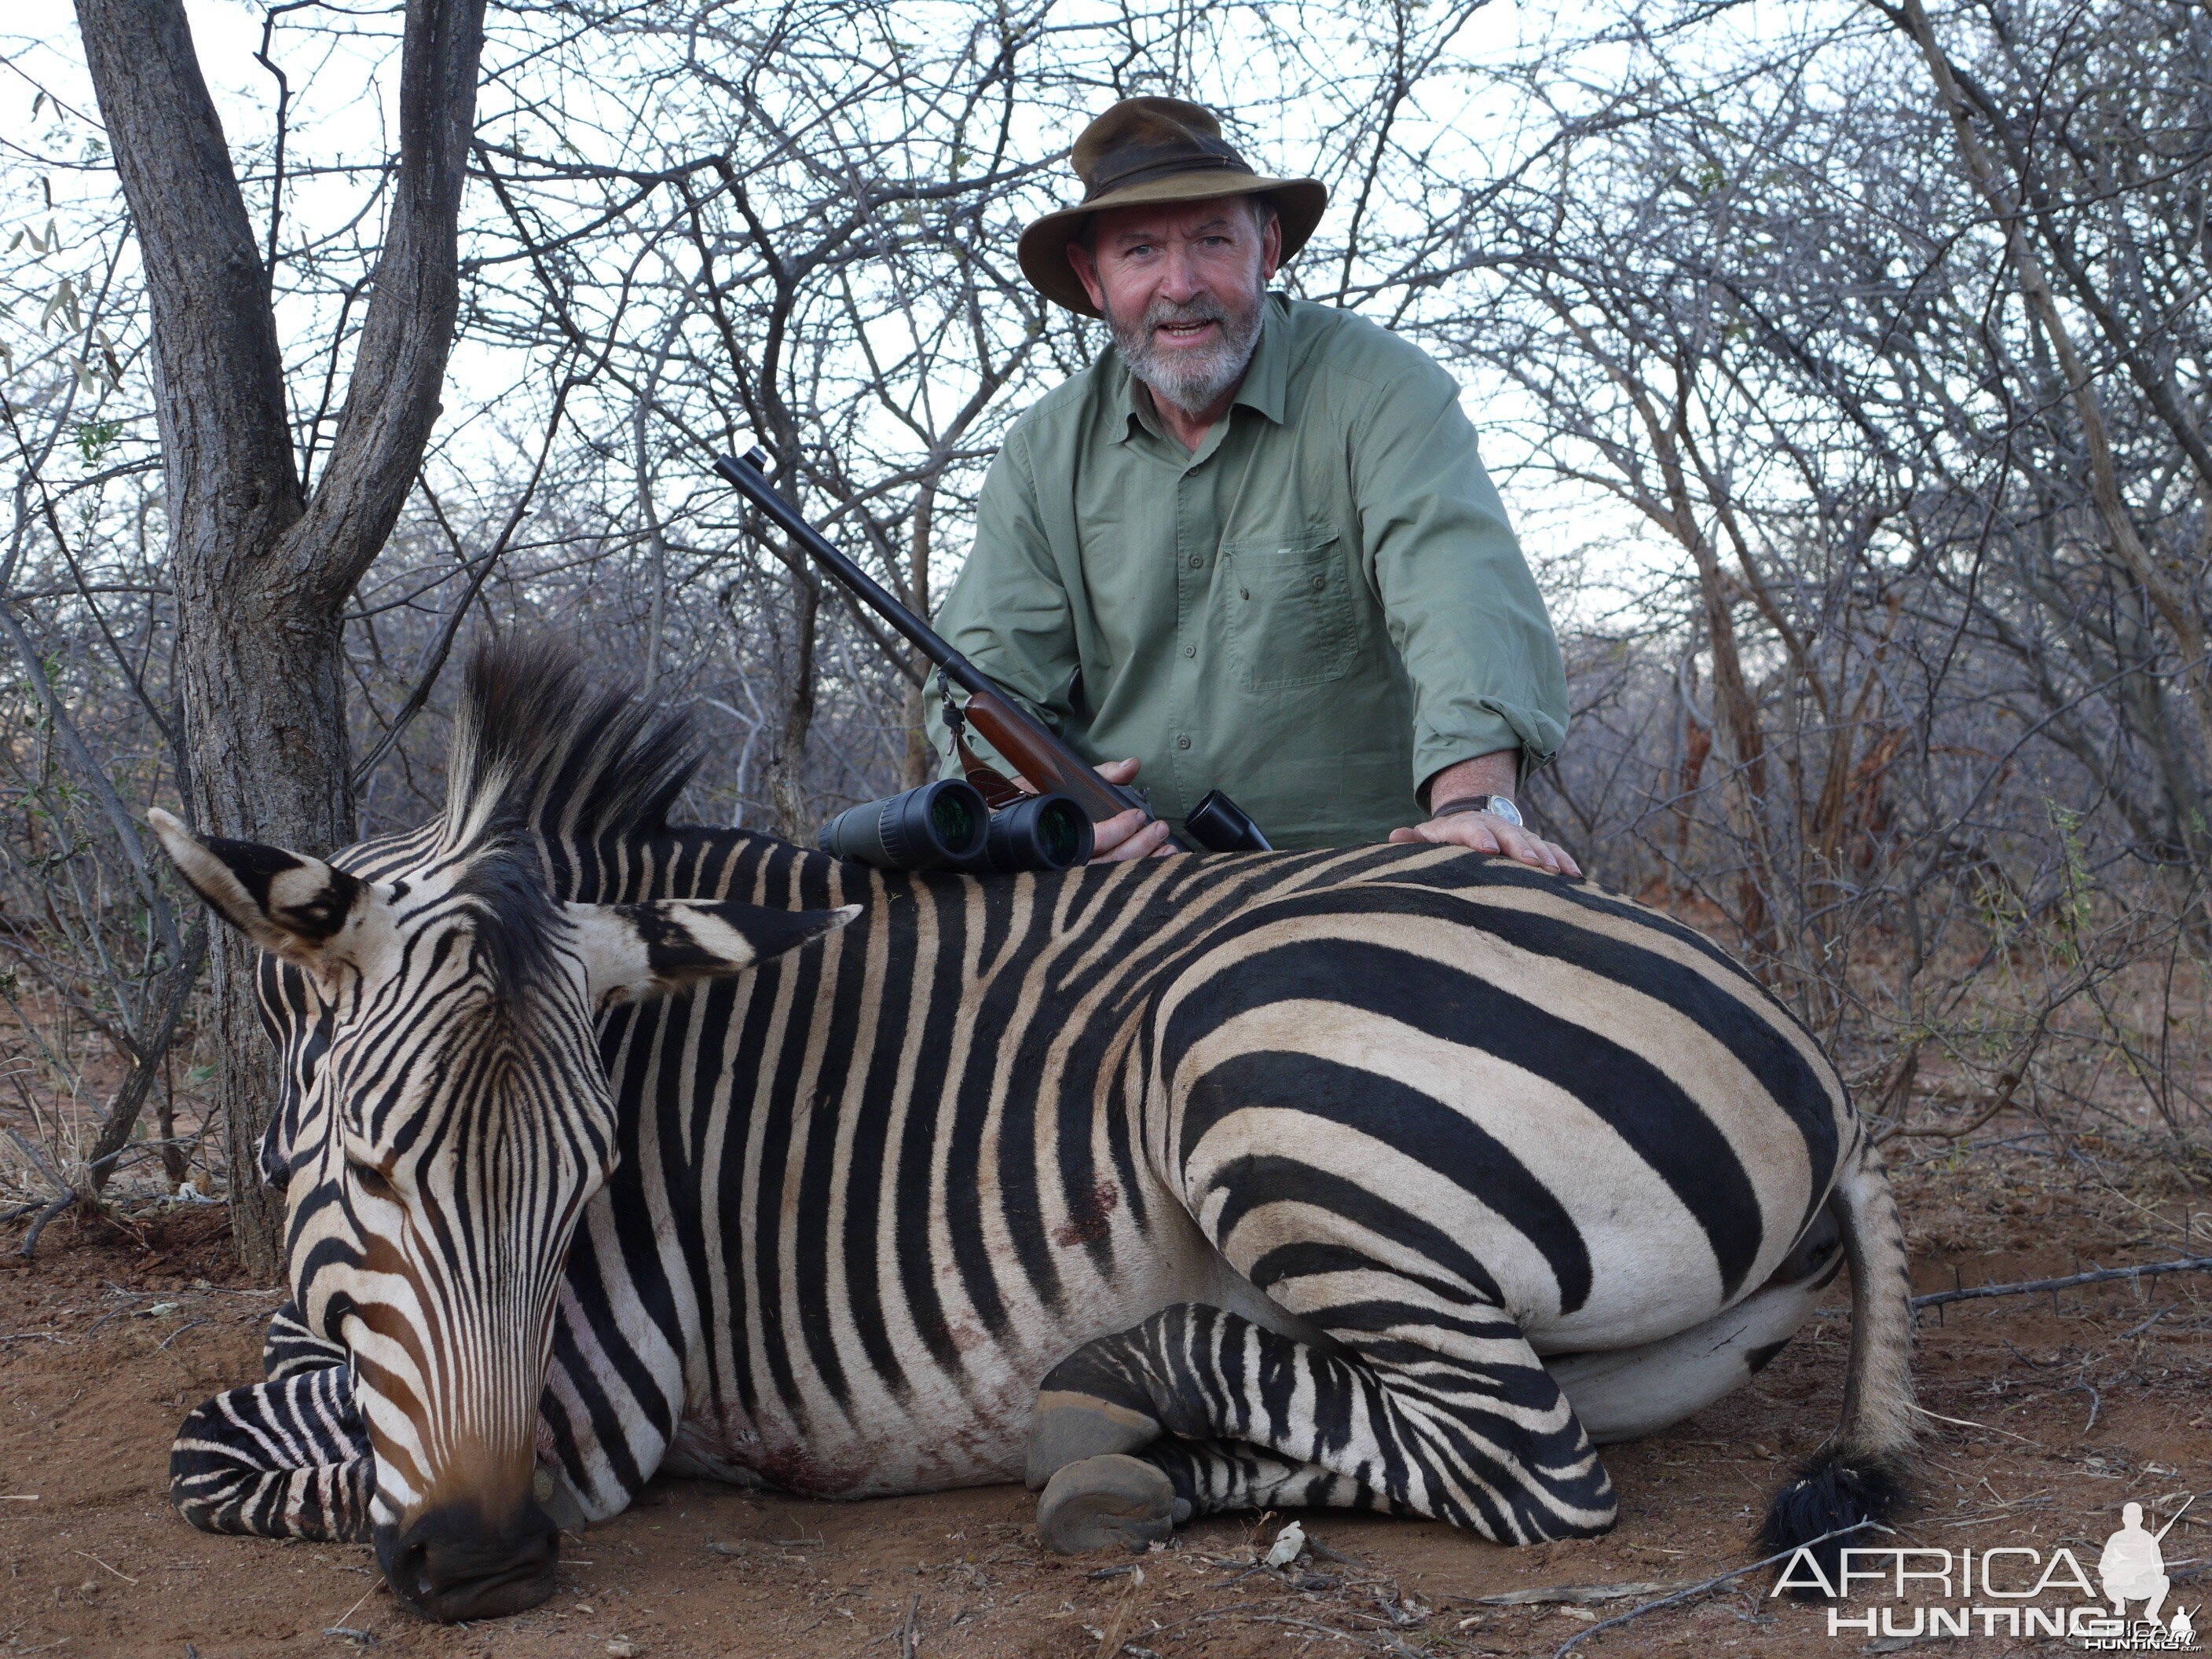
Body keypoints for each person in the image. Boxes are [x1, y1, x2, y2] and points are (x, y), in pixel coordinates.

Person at [928, 97, 1576, 870]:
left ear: (1265, 248)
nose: (1179, 284)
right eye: (1138, 252)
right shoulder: (1042, 450)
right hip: (1125, 884)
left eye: (1211, 240)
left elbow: (1457, 590)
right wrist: (1026, 812)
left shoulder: (1380, 388)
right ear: (1090, 277)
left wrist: (1471, 801)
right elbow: (985, 682)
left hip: (1358, 872)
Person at [2100, 1502, 2174, 1628]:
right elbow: (2104, 1567)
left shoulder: (2148, 1539)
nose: (2131, 1520)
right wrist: (2122, 1570)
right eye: (2128, 1517)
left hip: (2142, 1585)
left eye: (2135, 1517)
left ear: (2141, 1519)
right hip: (2120, 1585)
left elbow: (2159, 1568)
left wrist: (2144, 1569)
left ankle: (2151, 1612)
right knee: (2107, 1580)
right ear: (2123, 1519)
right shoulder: (2115, 1538)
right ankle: (2119, 1602)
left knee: (2164, 1581)